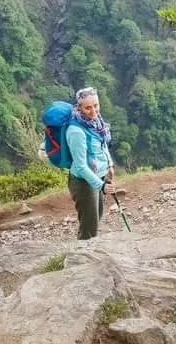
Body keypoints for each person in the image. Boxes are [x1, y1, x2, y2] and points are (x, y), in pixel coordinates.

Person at [67, 87, 116, 240]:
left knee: (95, 219)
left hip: (98, 177)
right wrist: (101, 186)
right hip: (84, 183)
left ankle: (88, 255)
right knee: (89, 227)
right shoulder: (76, 131)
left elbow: (102, 144)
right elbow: (81, 166)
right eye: (88, 107)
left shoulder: (96, 123)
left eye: (96, 105)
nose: (93, 110)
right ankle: (82, 259)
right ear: (79, 108)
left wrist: (109, 165)